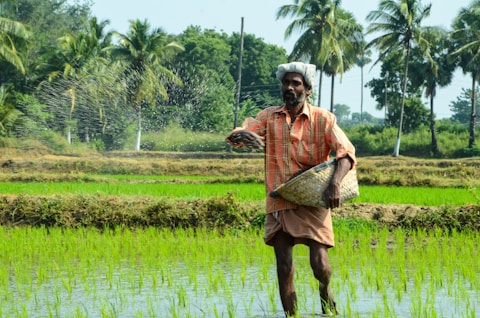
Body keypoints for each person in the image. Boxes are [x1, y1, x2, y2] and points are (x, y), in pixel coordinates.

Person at [226, 61, 356, 317]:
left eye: (296, 83)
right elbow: (236, 137)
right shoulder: (269, 117)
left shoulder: (323, 119)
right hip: (279, 199)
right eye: (286, 83)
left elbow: (346, 154)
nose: (289, 87)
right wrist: (244, 135)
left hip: (312, 198)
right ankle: (291, 316)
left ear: (307, 90)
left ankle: (325, 291)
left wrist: (334, 184)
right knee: (284, 266)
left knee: (320, 265)